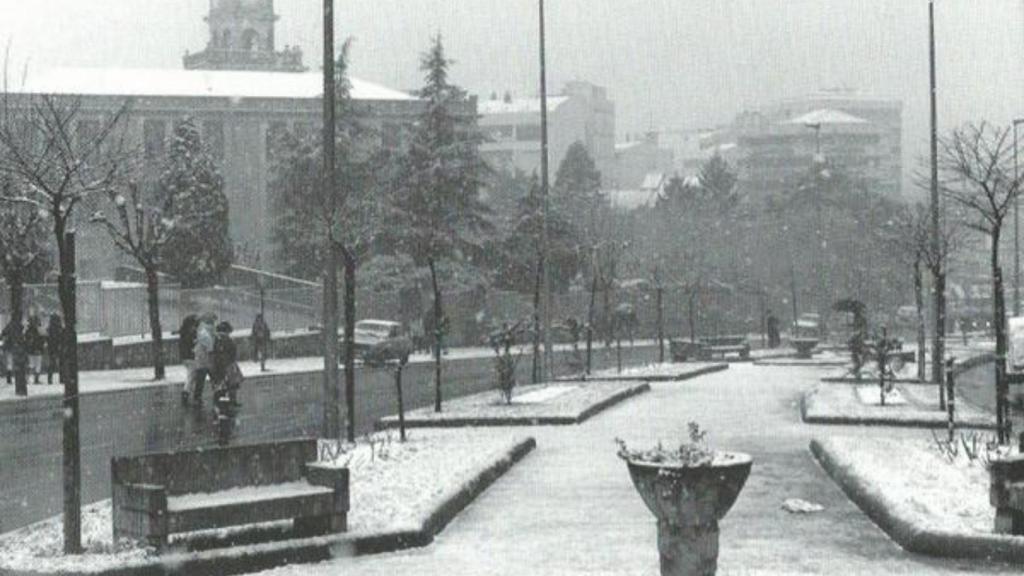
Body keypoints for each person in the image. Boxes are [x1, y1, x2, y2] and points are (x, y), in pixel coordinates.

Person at [211, 321, 240, 404]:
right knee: (232, 383)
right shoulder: (228, 339)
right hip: (228, 363)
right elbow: (233, 351)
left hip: (217, 363)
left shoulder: (215, 339)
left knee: (219, 382)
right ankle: (232, 400)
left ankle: (219, 399)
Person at [192, 314, 216, 404]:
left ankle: (197, 397)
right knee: (213, 378)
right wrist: (211, 361)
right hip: (205, 360)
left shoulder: (202, 332)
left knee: (201, 380)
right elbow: (210, 349)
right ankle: (218, 394)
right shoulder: (207, 335)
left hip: (200, 359)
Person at [178, 315, 199, 404]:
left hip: (185, 357)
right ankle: (186, 393)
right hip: (190, 357)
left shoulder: (184, 333)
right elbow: (192, 345)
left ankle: (188, 393)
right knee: (192, 376)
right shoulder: (190, 334)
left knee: (192, 375)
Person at [24, 315, 45, 385]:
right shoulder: (39, 330)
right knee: (37, 365)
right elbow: (42, 340)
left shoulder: (28, 331)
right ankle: (36, 379)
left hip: (31, 350)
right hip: (37, 350)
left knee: (31, 365)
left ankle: (28, 379)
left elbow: (26, 341)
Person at [46, 313, 63, 385]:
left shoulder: (50, 329)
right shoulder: (59, 328)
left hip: (51, 347)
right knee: (61, 363)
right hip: (58, 346)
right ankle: (62, 378)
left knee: (51, 364)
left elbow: (48, 338)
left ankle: (50, 379)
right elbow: (60, 337)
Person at [0, 320, 13, 385]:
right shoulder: (14, 329)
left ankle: (8, 376)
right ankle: (9, 377)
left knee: (8, 363)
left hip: (7, 348)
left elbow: (1, 336)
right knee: (9, 363)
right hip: (11, 348)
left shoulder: (6, 330)